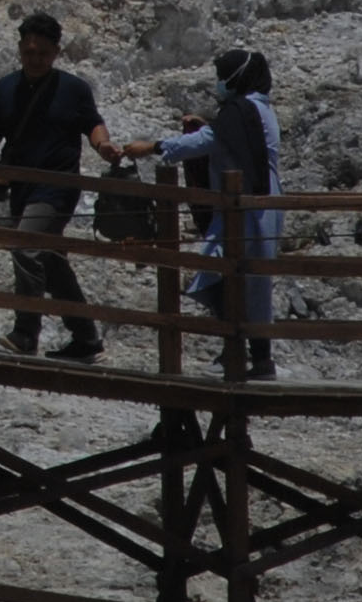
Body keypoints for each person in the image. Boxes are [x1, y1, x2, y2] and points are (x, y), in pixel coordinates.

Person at [0, 11, 118, 360]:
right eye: (29, 52)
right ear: (19, 49)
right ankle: (87, 339)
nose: (35, 59)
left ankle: (26, 333)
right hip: (21, 188)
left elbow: (93, 125)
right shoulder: (4, 90)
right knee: (50, 258)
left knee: (26, 246)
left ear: (56, 52)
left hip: (58, 187)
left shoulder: (74, 89)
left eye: (43, 53)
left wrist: (103, 145)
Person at [121, 49, 283, 376]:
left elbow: (207, 142)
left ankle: (240, 353)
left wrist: (151, 147)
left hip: (247, 208)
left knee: (225, 275)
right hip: (260, 204)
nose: (220, 84)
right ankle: (248, 355)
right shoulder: (258, 110)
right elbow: (224, 140)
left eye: (223, 76)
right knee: (247, 281)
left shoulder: (242, 110)